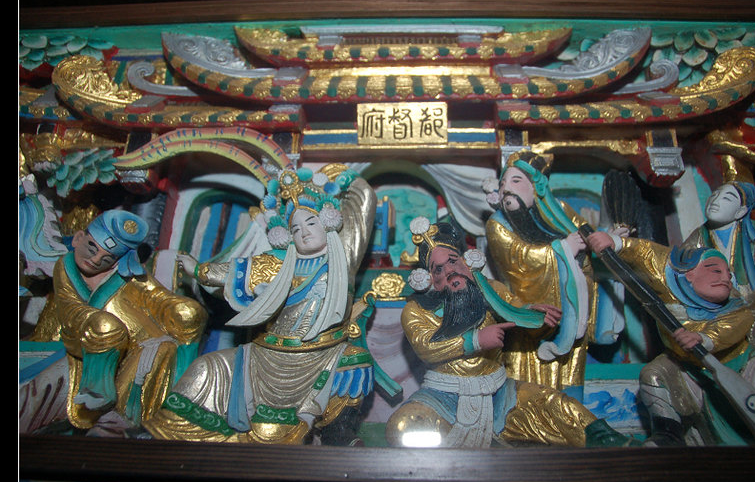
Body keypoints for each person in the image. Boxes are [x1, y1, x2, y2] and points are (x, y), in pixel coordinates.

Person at [143, 164, 377, 445]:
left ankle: (337, 439)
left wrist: (346, 177)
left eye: (311, 223)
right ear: (287, 236)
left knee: (355, 364)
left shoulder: (344, 255)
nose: (304, 233)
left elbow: (364, 203)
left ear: (327, 222)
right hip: (264, 357)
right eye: (295, 229)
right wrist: (199, 270)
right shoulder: (275, 263)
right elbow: (232, 271)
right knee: (206, 367)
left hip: (323, 355)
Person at [385, 218, 639, 449]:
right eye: (437, 269)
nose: (449, 271)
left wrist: (533, 313)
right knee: (403, 427)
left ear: (466, 260)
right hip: (442, 396)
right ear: (428, 279)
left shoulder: (490, 289)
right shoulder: (416, 310)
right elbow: (426, 347)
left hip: (499, 393)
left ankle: (614, 446)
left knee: (555, 405)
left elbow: (514, 309)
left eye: (452, 261)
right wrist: (476, 340)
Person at [20, 209, 207, 435]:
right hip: (91, 340)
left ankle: (160, 405)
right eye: (92, 248)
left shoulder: (127, 273)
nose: (95, 260)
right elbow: (70, 308)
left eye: (107, 258)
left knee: (182, 323)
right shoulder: (66, 266)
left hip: (144, 344)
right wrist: (99, 324)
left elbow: (156, 296)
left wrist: (181, 310)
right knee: (105, 328)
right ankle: (97, 390)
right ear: (78, 238)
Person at [585, 230, 755, 446]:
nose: (725, 278)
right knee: (653, 374)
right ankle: (668, 434)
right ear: (690, 274)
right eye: (716, 271)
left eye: (728, 274)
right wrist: (617, 243)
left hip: (740, 366)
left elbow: (731, 328)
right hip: (688, 368)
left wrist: (703, 339)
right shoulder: (670, 285)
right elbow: (649, 255)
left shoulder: (737, 308)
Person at [483, 152, 626, 397]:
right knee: (524, 393)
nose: (506, 188)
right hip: (528, 317)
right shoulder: (497, 224)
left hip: (572, 311)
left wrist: (609, 238)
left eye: (516, 181)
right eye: (503, 183)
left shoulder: (559, 210)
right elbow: (517, 259)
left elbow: (587, 236)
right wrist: (563, 249)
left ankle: (572, 416)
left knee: (569, 389)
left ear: (536, 187)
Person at [681, 181, 755, 358]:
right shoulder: (698, 237)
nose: (715, 201)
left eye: (727, 198)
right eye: (715, 195)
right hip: (720, 313)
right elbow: (681, 268)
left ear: (741, 211)